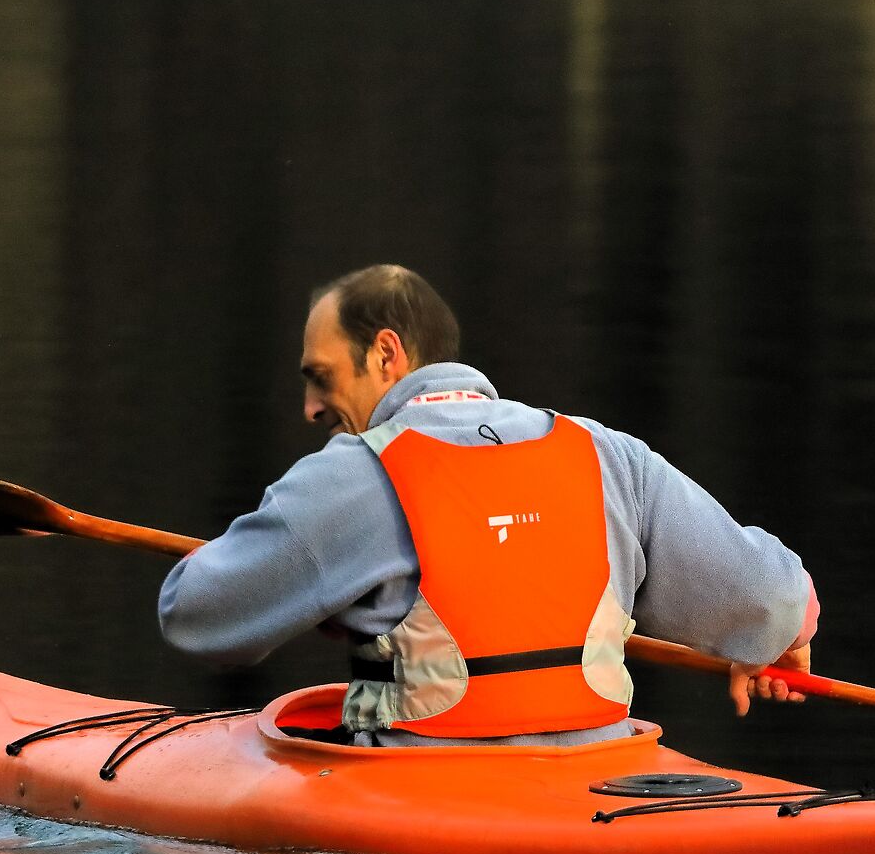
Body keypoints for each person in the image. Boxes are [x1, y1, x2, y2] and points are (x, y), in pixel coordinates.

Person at [158, 264, 816, 746]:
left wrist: (302, 578)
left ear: (387, 354)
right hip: (598, 786)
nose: (309, 408)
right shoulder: (609, 455)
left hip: (428, 807)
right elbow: (773, 597)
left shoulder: (347, 475)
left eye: (321, 377)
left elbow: (197, 618)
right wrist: (778, 638)